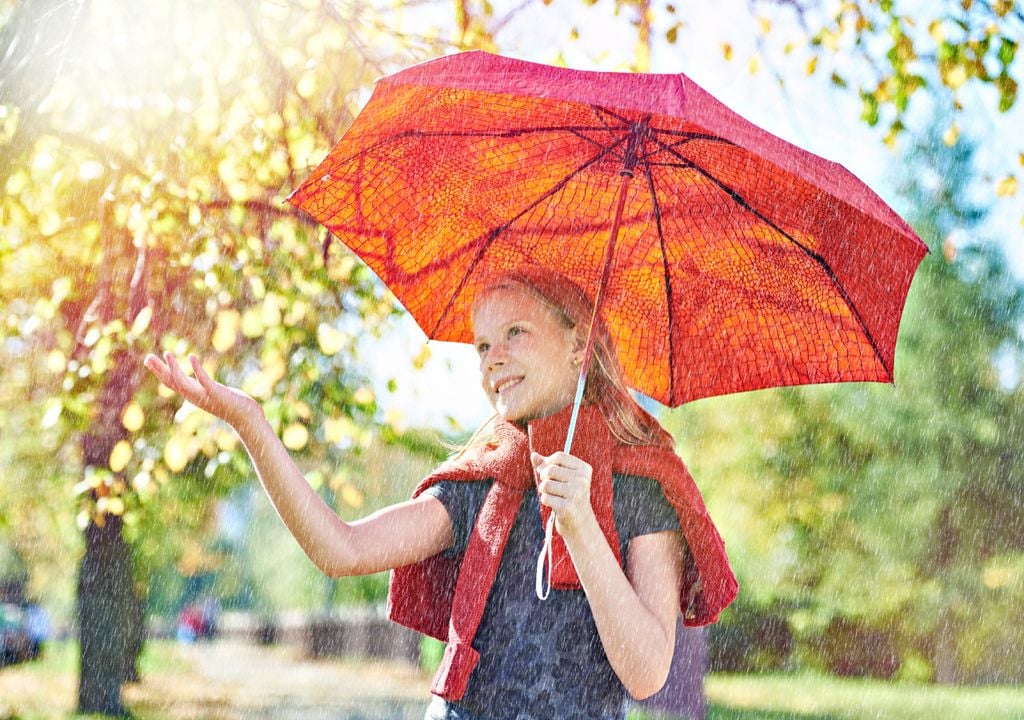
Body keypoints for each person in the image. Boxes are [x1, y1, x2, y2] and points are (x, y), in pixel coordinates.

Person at [143, 268, 736, 720]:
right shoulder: (479, 485)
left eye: (515, 333)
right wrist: (250, 423)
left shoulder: (644, 488)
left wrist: (581, 525)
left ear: (578, 346)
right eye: (481, 345)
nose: (492, 359)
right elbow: (341, 550)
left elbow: (645, 672)